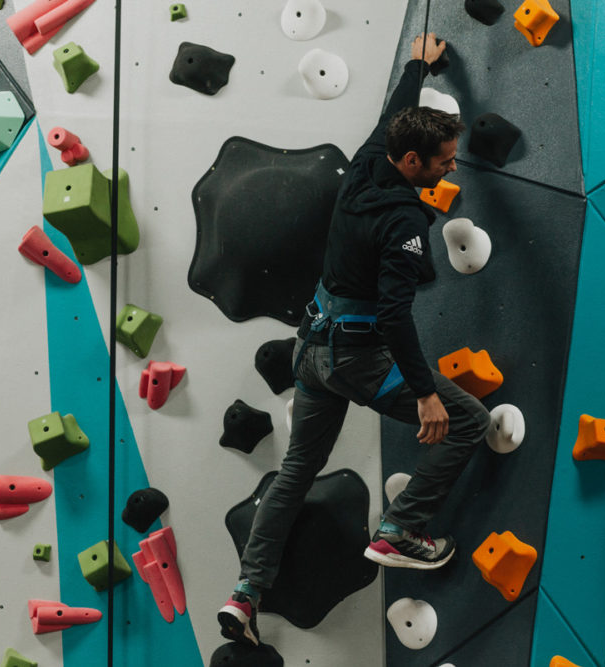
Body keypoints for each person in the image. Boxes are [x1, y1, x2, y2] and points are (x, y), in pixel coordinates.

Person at [218, 33, 491, 647]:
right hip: (359, 360)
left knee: (295, 470)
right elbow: (396, 315)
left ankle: (246, 593)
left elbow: (392, 117)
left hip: (310, 349)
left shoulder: (371, 160)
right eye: (445, 159)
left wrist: (418, 66)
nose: (452, 166)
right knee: (467, 421)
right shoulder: (403, 222)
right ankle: (400, 529)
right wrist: (424, 392)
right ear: (413, 163)